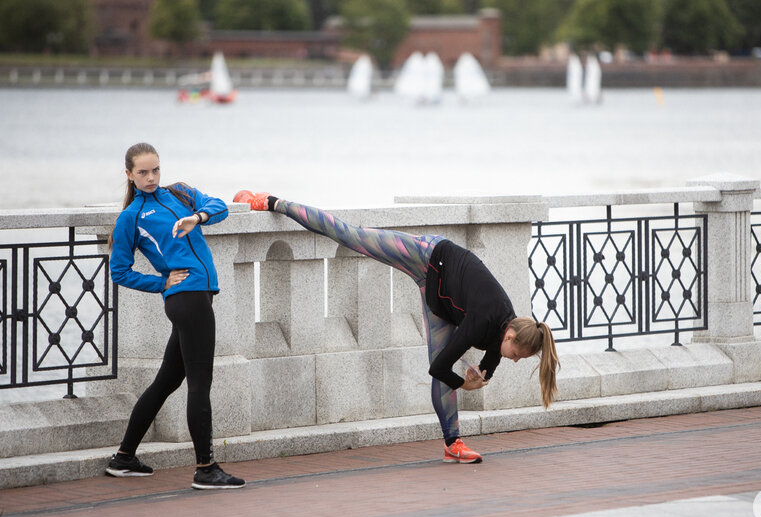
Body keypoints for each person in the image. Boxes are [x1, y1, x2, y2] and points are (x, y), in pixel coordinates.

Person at [233, 191, 560, 464]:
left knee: (450, 372)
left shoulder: (509, 322)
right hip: (428, 257)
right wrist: (464, 382)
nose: (514, 359)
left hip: (440, 302)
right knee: (353, 237)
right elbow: (440, 366)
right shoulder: (483, 322)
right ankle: (275, 202)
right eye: (517, 353)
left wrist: (481, 376)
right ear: (511, 335)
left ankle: (452, 444)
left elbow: (491, 361)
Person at [106, 142, 245, 490]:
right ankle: (205, 469)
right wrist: (161, 282)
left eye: (155, 170)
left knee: (167, 381)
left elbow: (219, 207)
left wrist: (196, 217)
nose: (151, 178)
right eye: (142, 172)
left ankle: (124, 458)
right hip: (186, 300)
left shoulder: (180, 193)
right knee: (200, 384)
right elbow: (119, 271)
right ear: (129, 175)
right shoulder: (131, 217)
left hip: (198, 296)